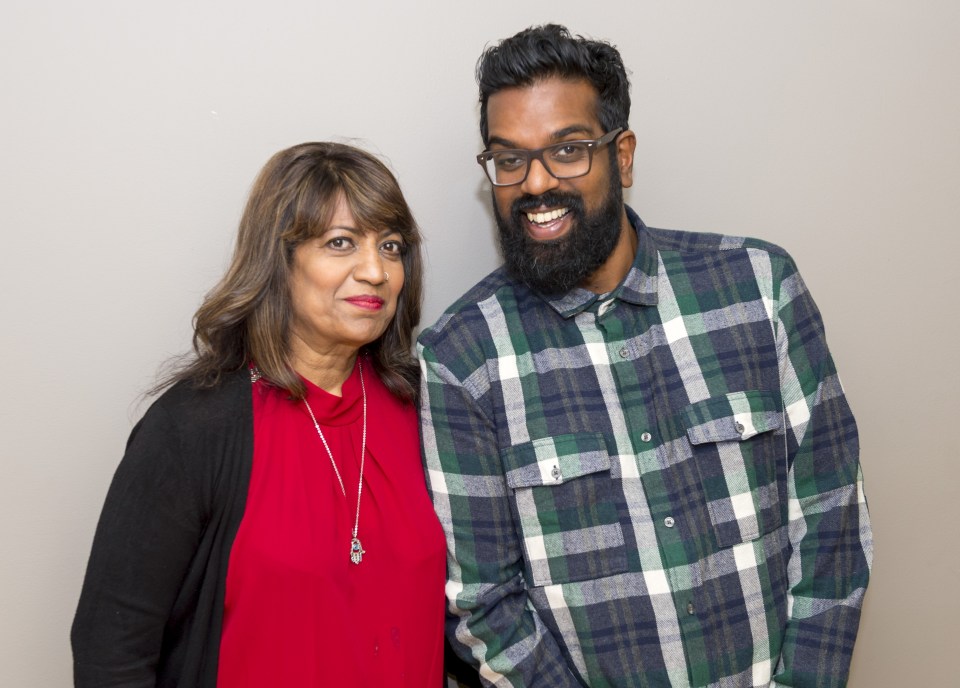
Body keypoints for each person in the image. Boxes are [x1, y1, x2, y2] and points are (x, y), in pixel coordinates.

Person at [419, 25, 872, 688]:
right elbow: (483, 605)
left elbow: (831, 517)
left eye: (568, 150)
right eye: (508, 160)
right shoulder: (462, 360)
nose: (534, 182)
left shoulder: (759, 288)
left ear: (622, 156)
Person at [72, 142, 446, 687]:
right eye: (341, 243)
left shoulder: (430, 409)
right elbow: (112, 650)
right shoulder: (191, 429)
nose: (376, 271)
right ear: (279, 259)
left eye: (391, 246)